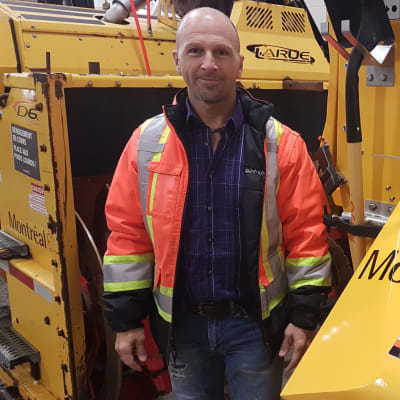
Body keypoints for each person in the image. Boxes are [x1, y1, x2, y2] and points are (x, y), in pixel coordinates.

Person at [102, 7, 332, 399]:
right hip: (182, 328)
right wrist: (126, 321)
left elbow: (307, 235)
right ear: (177, 60)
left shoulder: (282, 145)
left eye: (222, 53)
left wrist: (304, 317)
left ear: (240, 64)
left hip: (255, 330)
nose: (209, 64)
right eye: (195, 51)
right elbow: (128, 236)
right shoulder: (144, 144)